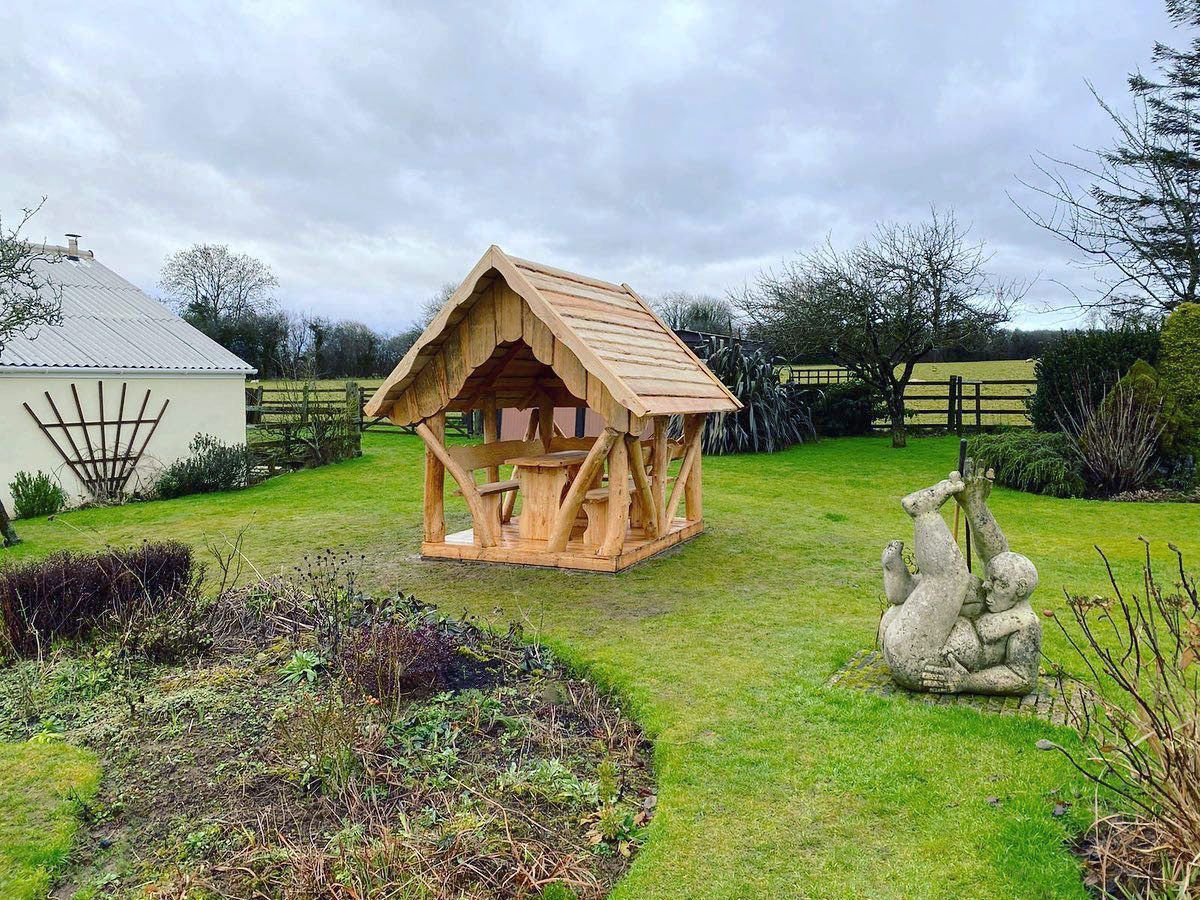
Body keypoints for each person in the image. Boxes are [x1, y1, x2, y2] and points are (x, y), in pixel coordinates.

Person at [878, 459, 1041, 696]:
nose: (989, 585)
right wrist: (974, 504)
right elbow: (997, 555)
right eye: (992, 579)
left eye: (999, 584)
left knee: (953, 579)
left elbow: (1023, 677)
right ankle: (902, 585)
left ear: (1020, 589)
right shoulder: (1002, 594)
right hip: (907, 633)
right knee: (969, 589)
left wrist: (967, 682)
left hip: (918, 662)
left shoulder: (1026, 623)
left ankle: (924, 514)